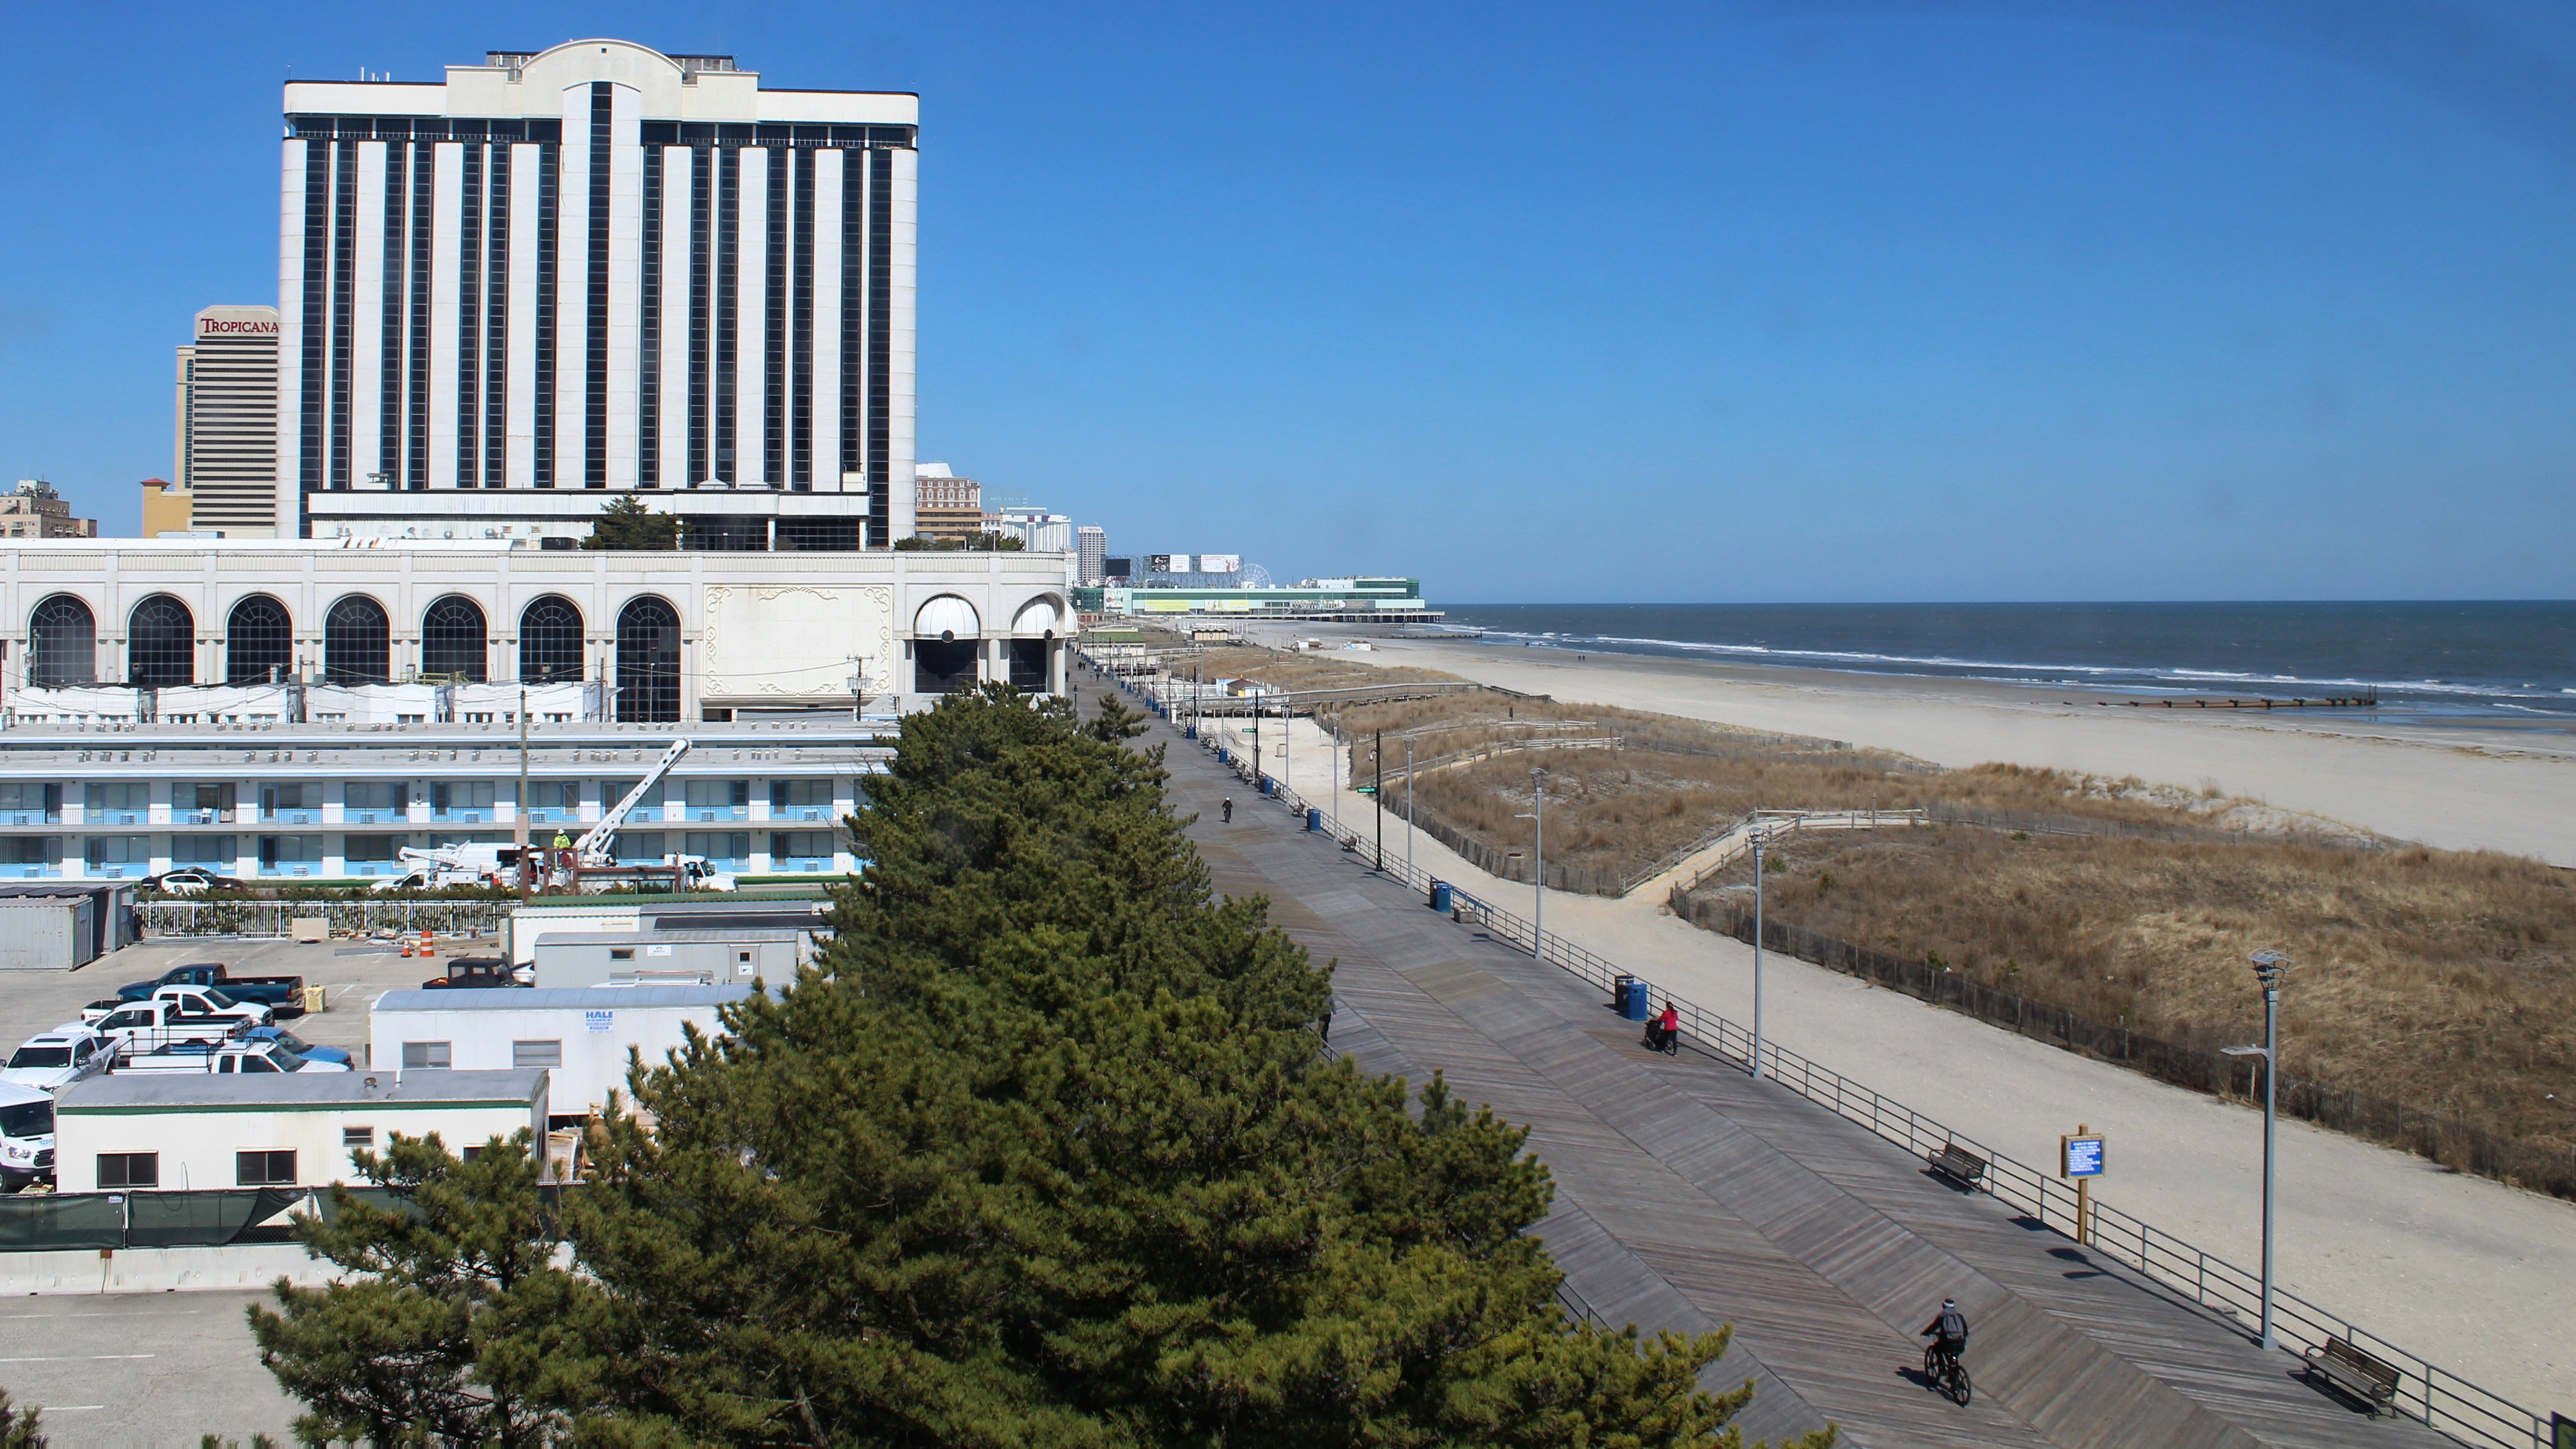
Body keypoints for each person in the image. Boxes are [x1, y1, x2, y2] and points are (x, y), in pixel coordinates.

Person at [1921, 1299, 1968, 1366]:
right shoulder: (1960, 1317)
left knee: (1937, 1347)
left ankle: (1942, 1365)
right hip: (1960, 1345)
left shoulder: (1942, 1317)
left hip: (1947, 1345)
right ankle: (1954, 1363)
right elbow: (1966, 1332)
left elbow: (1933, 1327)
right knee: (1955, 1353)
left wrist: (1925, 1333)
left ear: (1944, 1307)